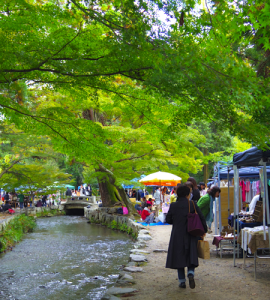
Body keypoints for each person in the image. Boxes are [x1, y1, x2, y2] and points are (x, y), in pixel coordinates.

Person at [166, 185, 207, 289]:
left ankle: (182, 282)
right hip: (191, 233)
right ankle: (190, 273)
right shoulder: (192, 204)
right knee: (191, 254)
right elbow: (201, 217)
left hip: (177, 234)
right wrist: (204, 230)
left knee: (179, 257)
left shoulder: (173, 205)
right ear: (187, 194)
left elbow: (168, 220)